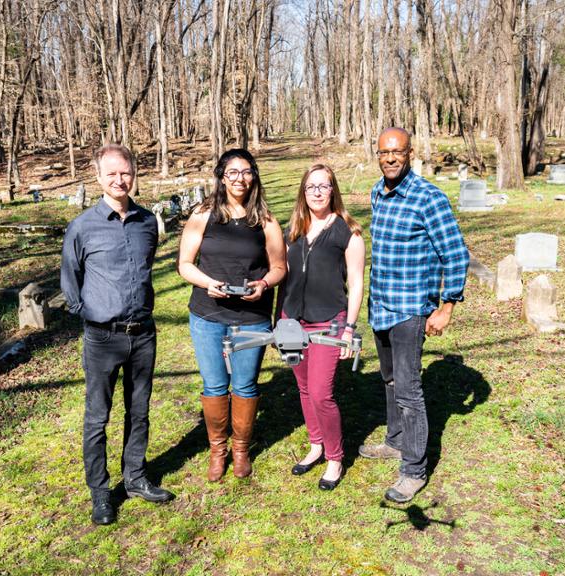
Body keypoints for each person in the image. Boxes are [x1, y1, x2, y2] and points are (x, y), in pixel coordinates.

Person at [61, 144, 174, 526]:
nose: (118, 179)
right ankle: (100, 493)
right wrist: (90, 314)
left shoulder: (146, 222)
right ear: (98, 177)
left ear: (134, 174)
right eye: (111, 173)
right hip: (102, 338)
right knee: (98, 417)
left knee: (139, 411)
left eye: (124, 172)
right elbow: (70, 281)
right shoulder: (82, 226)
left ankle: (136, 477)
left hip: (143, 334)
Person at [358, 128, 470, 503]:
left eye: (397, 152)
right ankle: (395, 441)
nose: (390, 158)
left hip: (410, 310)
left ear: (410, 154)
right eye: (384, 152)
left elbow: (455, 253)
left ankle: (413, 470)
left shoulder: (428, 199)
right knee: (389, 381)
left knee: (408, 390)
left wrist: (447, 306)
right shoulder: (377, 192)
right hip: (381, 305)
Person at [178, 148, 286, 482]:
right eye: (233, 172)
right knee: (214, 386)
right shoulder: (203, 214)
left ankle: (240, 450)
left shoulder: (264, 220)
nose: (240, 179)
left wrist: (265, 283)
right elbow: (184, 265)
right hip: (208, 314)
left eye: (246, 172)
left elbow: (280, 266)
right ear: (222, 177)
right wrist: (208, 283)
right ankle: (217, 451)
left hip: (251, 317)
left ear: (254, 176)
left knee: (245, 385)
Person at [280, 164, 366, 491]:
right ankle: (315, 445)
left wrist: (349, 329)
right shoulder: (296, 229)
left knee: (321, 393)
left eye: (324, 186)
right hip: (292, 322)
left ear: (333, 190)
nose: (317, 192)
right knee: (303, 389)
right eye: (311, 186)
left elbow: (356, 283)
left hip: (329, 321)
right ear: (303, 192)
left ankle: (334, 457)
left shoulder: (348, 231)